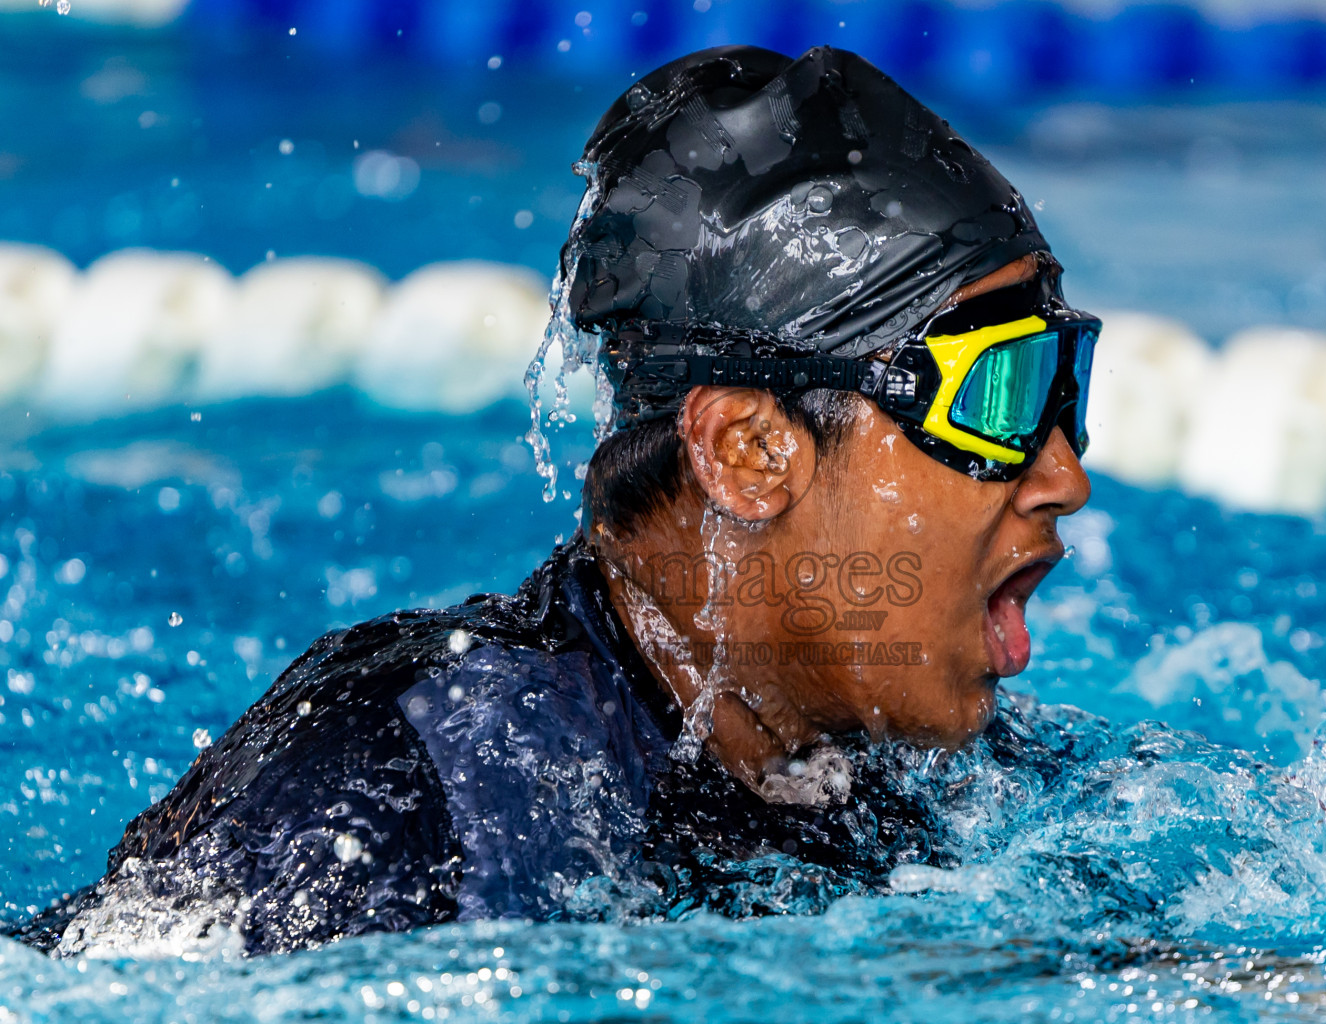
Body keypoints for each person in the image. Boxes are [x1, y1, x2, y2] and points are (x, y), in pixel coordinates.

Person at [13, 43, 1094, 956]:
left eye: (1065, 384)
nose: (1064, 476)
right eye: (1000, 393)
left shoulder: (917, 778)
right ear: (751, 451)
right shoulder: (409, 787)